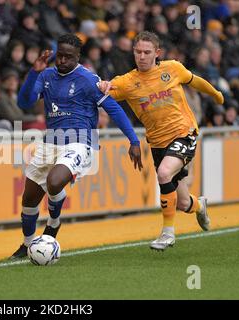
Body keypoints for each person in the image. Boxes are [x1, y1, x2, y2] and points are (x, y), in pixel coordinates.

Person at [10, 34, 142, 259]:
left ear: (78, 57)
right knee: (29, 199)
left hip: (81, 142)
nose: (62, 61)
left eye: (68, 57)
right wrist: (34, 73)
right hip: (50, 142)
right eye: (59, 56)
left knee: (54, 181)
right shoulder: (47, 75)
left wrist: (134, 140)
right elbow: (24, 102)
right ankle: (28, 245)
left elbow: (114, 109)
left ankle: (53, 224)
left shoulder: (88, 80)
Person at [98, 31, 224, 251]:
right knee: (184, 202)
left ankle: (167, 233)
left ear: (157, 53)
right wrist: (101, 85)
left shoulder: (172, 69)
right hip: (157, 143)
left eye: (147, 52)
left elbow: (195, 81)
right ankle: (199, 205)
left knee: (164, 173)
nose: (142, 56)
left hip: (184, 132)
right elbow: (104, 91)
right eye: (138, 52)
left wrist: (216, 94)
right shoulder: (127, 82)